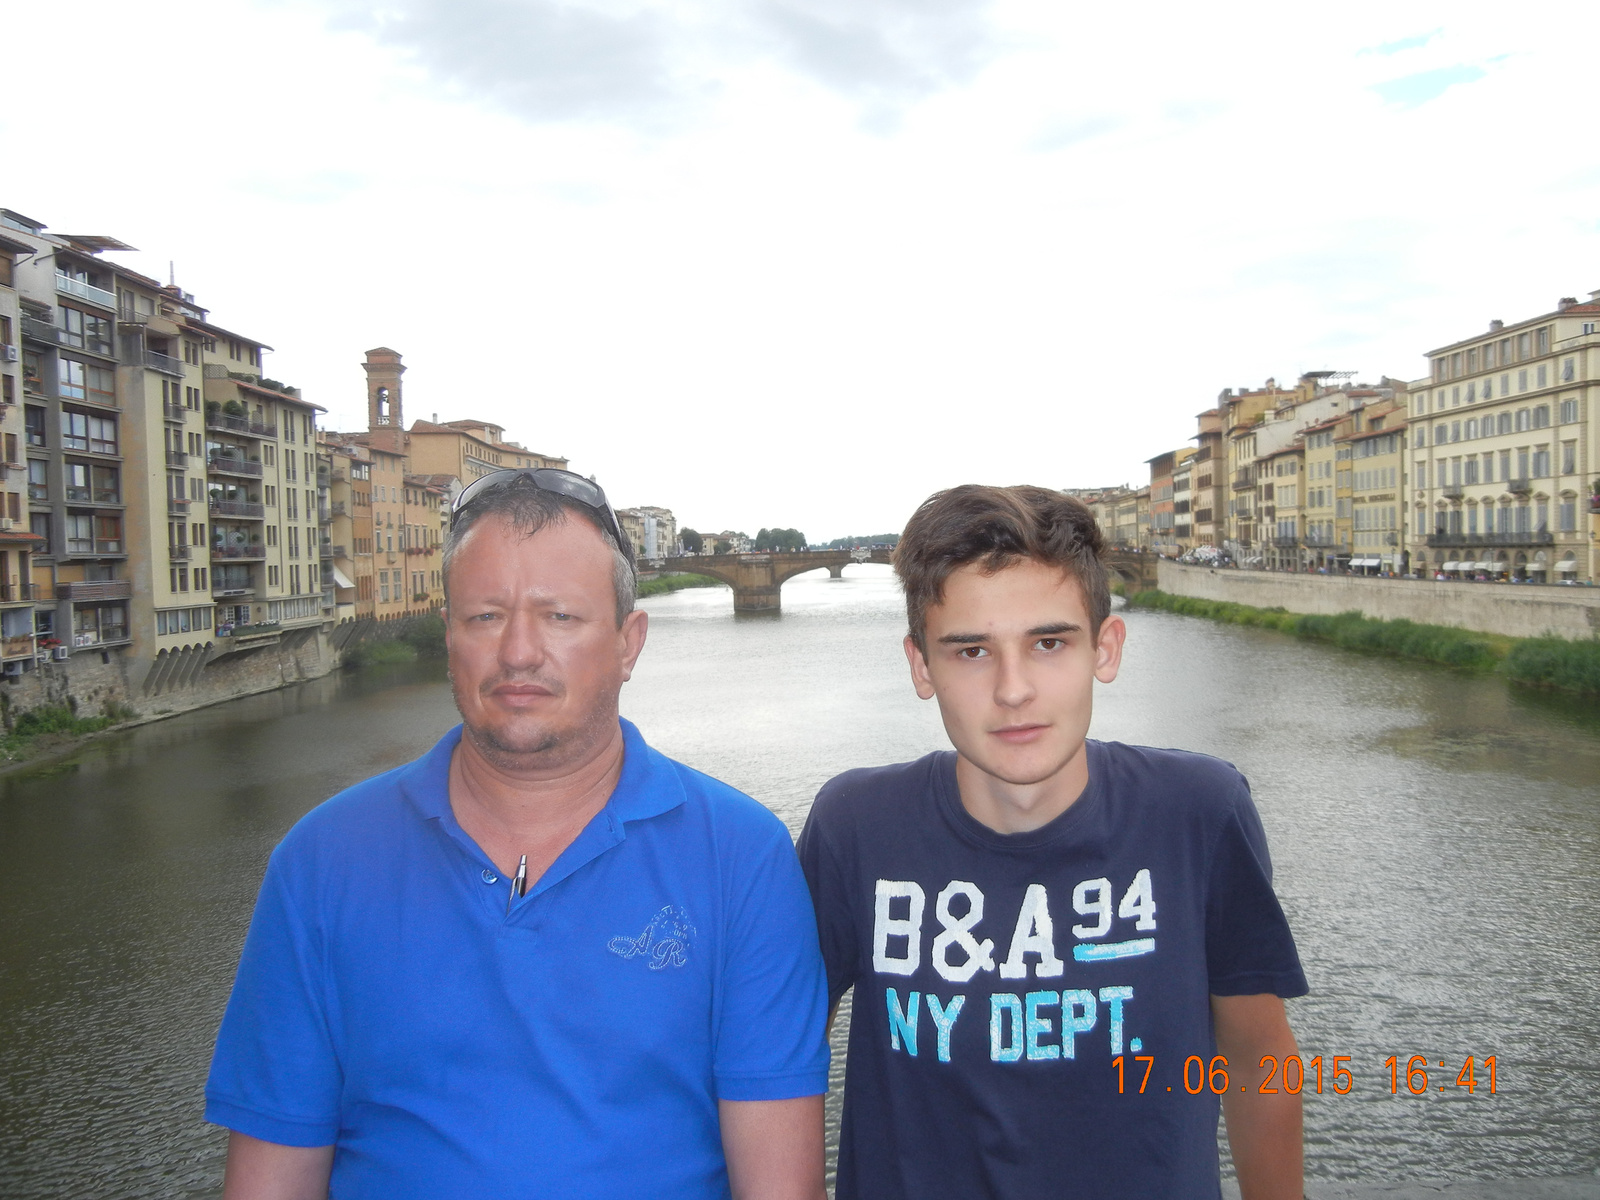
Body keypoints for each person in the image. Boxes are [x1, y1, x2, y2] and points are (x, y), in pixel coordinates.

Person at [207, 469, 829, 1200]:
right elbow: (271, 1181)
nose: (518, 652)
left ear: (630, 644)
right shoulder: (320, 863)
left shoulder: (742, 856)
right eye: (485, 617)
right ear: (449, 640)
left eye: (560, 616)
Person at [797, 484, 1307, 1200]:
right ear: (921, 667)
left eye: (1049, 642)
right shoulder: (857, 825)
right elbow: (782, 1060)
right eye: (971, 650)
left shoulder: (1198, 812)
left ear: (1106, 647)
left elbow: (1259, 1065)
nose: (1014, 689)